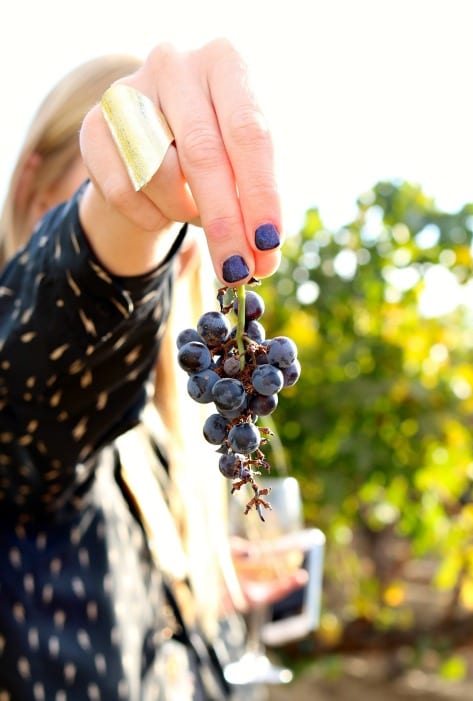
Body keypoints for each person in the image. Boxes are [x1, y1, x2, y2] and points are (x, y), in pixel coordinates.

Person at [0, 40, 305, 700]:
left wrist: (201, 604)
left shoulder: (165, 438)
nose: (172, 233)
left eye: (179, 208)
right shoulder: (29, 397)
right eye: (97, 183)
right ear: (30, 188)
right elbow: (54, 363)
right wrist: (125, 218)